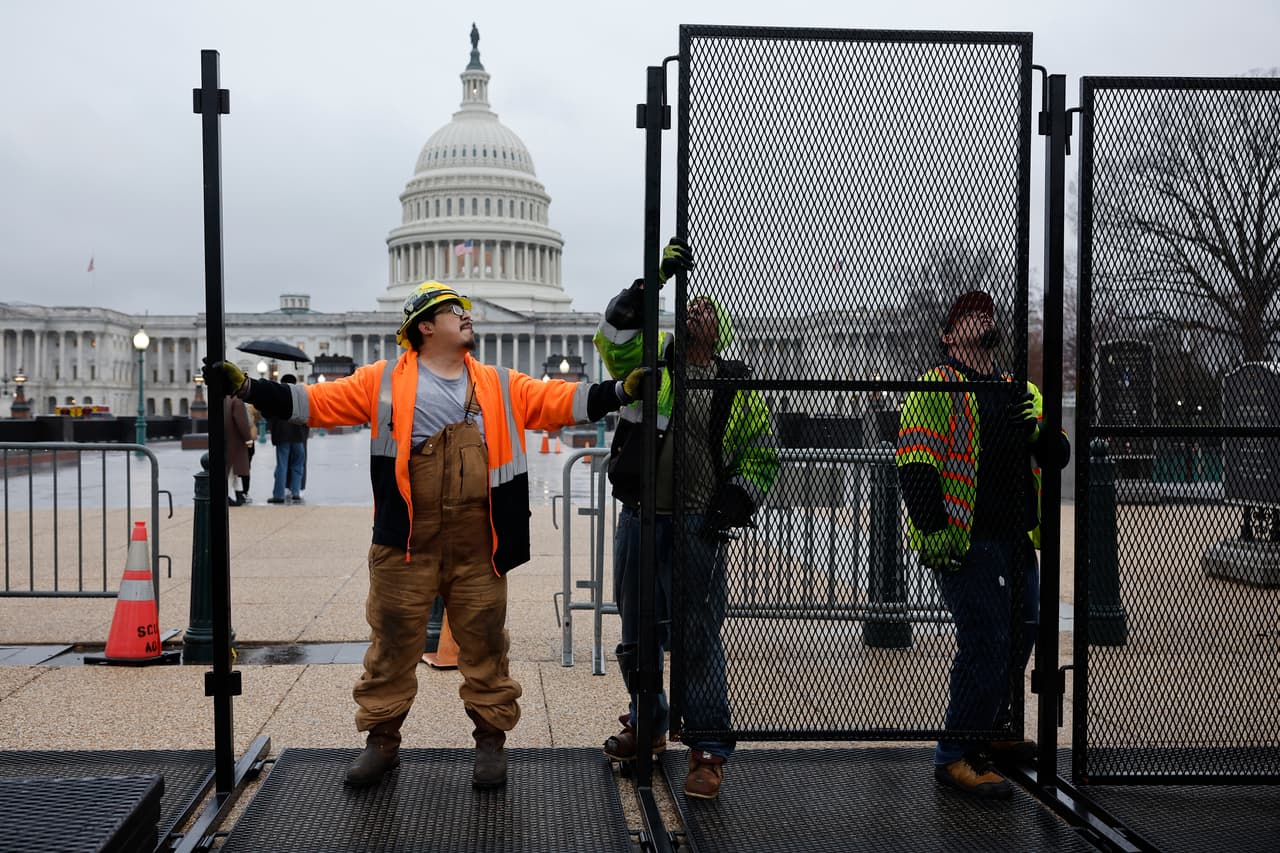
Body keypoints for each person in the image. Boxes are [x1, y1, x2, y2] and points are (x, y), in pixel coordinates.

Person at [208, 281, 643, 790]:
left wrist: (617, 392)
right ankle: (382, 740)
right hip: (406, 536)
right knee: (392, 642)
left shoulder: (500, 382)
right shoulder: (382, 381)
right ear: (426, 327)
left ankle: (490, 741)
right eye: (454, 311)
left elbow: (560, 401)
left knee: (484, 642)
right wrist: (247, 389)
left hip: (480, 535)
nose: (467, 316)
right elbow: (312, 402)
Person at [593, 238, 778, 800]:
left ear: (719, 327)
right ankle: (647, 721)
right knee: (636, 635)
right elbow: (616, 331)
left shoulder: (735, 383)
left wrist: (738, 501)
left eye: (706, 309)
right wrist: (654, 280)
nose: (696, 312)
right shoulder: (648, 367)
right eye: (688, 308)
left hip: (701, 523)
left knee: (699, 638)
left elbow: (763, 452)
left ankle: (707, 749)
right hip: (643, 518)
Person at [896, 290, 1069, 799]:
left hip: (1016, 538)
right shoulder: (936, 385)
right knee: (987, 640)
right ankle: (955, 754)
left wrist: (1034, 429)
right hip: (967, 539)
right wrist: (935, 531)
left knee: (1024, 635)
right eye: (970, 315)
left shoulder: (1021, 390)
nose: (983, 318)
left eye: (988, 313)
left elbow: (1055, 451)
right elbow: (916, 461)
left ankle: (993, 730)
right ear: (949, 336)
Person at [267, 375, 307, 504]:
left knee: (282, 465)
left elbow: (270, 416)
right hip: (298, 436)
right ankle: (296, 492)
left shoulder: (277, 396)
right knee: (298, 465)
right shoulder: (302, 397)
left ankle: (279, 495)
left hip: (282, 436)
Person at [224, 395, 253, 507]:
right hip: (236, 441)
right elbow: (242, 422)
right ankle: (229, 495)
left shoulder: (225, 399)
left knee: (235, 471)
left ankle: (239, 494)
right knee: (232, 470)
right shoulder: (237, 401)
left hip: (226, 440)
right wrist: (248, 438)